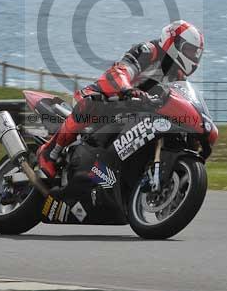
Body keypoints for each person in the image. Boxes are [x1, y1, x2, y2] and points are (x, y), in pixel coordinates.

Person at [37, 20, 204, 178]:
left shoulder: (178, 76)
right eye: (189, 50)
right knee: (91, 105)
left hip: (139, 114)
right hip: (111, 97)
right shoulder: (149, 51)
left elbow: (182, 98)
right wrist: (127, 89)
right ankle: (50, 151)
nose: (193, 57)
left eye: (196, 53)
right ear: (174, 42)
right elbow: (121, 71)